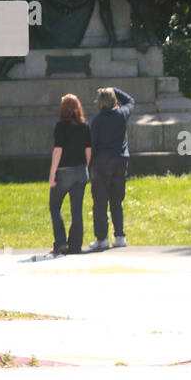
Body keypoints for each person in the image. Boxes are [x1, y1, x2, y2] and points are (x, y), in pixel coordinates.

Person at [88, 86, 134, 250]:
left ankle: (102, 239)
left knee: (100, 202)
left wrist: (89, 166)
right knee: (117, 201)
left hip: (101, 163)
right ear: (114, 100)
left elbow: (92, 145)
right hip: (120, 161)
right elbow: (130, 100)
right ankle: (120, 236)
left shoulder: (97, 121)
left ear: (100, 103)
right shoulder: (122, 115)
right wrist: (113, 88)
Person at [48, 94, 91, 255]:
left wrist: (52, 173)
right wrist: (86, 168)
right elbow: (88, 151)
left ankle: (60, 243)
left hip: (64, 172)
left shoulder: (60, 126)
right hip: (81, 171)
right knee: (77, 210)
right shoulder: (85, 126)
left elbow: (58, 150)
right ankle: (76, 246)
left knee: (54, 207)